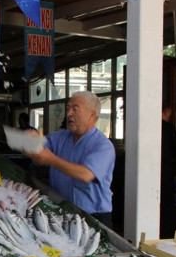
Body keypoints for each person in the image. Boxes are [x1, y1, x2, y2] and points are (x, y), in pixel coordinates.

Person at [25, 91, 115, 229]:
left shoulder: (103, 146)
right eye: (68, 108)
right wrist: (29, 141)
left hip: (92, 218)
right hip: (61, 212)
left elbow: (86, 174)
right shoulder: (59, 138)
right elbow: (37, 150)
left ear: (91, 115)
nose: (68, 114)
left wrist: (52, 159)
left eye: (75, 109)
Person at [160, 103, 176, 238]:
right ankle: (167, 233)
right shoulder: (169, 128)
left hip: (152, 169)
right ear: (166, 113)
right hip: (166, 168)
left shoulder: (150, 128)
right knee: (167, 203)